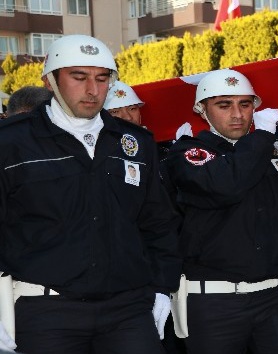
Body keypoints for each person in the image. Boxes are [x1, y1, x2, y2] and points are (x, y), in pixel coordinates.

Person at [0, 34, 181, 354]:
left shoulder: (135, 141)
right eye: (78, 77)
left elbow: (158, 223)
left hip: (128, 309)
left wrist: (162, 288)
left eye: (102, 78)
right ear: (49, 81)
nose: (92, 89)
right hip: (46, 310)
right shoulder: (12, 143)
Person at [164, 69, 278, 353]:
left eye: (245, 104)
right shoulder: (190, 153)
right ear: (202, 110)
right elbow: (228, 185)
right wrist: (261, 136)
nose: (237, 114)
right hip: (216, 301)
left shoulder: (274, 153)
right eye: (224, 105)